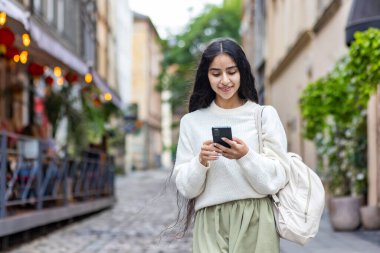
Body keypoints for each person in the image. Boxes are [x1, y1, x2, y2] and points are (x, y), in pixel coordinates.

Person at [172, 38, 291, 253]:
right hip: (209, 222)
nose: (224, 80)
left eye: (231, 72)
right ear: (206, 76)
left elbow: (277, 179)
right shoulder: (191, 122)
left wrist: (246, 156)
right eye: (216, 73)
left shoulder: (263, 116)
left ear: (242, 72)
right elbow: (187, 189)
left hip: (256, 219)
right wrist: (200, 162)